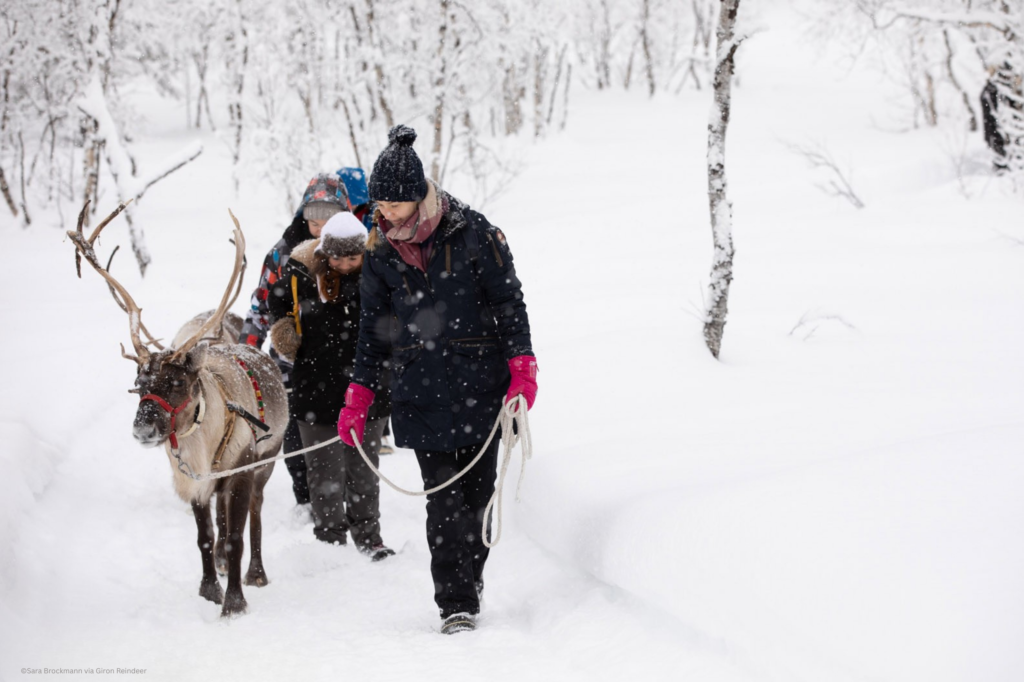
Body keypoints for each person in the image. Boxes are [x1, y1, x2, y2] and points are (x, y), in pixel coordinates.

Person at [336, 125, 538, 634]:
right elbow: (372, 331)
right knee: (442, 503)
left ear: (417, 196)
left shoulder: (475, 233)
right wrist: (358, 395)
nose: (384, 213)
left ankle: (471, 577)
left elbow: (508, 303)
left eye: (393, 204)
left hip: (481, 388)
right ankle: (455, 603)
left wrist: (522, 365)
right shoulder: (380, 252)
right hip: (419, 392)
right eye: (379, 203)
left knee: (477, 496)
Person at [267, 210, 396, 561]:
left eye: (352, 257)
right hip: (316, 387)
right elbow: (274, 297)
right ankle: (330, 540)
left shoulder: (378, 273)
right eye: (336, 257)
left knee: (364, 469)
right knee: (323, 472)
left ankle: (369, 537)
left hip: (367, 387)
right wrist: (283, 331)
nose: (343, 264)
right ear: (325, 252)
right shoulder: (301, 274)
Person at [238, 173, 352, 506]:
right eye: (312, 212)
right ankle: (306, 498)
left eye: (328, 212)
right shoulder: (283, 253)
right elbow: (261, 304)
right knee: (296, 435)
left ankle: (343, 500)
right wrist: (247, 351)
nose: (319, 221)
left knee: (342, 433)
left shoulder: (357, 248)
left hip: (344, 358)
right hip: (292, 361)